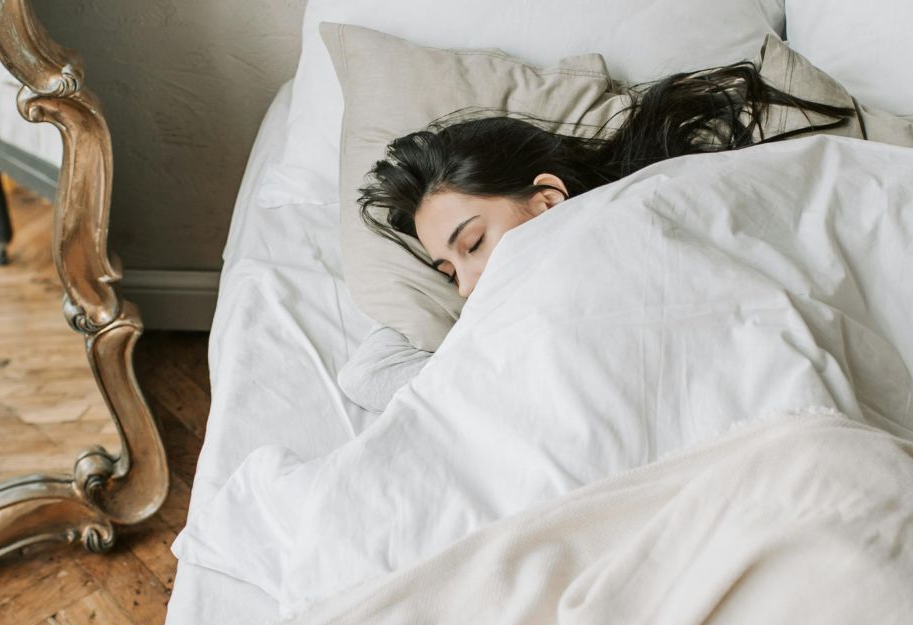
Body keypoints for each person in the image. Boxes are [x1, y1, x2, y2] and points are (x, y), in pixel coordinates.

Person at [338, 61, 854, 411]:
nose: (466, 286)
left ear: (548, 200)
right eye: (448, 272)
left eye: (473, 244)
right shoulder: (504, 334)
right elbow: (369, 375)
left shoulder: (647, 215)